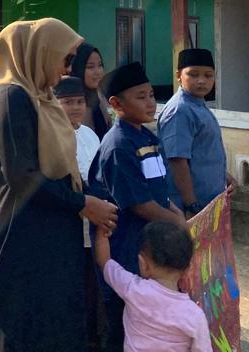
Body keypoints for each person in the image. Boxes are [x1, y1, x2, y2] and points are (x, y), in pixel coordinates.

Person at [0, 18, 118, 352]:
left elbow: (65, 170)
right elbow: (23, 177)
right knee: (23, 327)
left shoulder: (43, 98)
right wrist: (82, 204)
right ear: (40, 53)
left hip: (51, 233)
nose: (66, 70)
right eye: (64, 59)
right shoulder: (12, 99)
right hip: (22, 238)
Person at [89, 62, 186, 352]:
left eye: (151, 95)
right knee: (121, 328)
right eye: (140, 97)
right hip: (124, 252)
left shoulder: (148, 138)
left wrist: (177, 212)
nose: (150, 103)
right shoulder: (119, 145)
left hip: (149, 247)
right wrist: (177, 224)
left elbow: (159, 190)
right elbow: (139, 204)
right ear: (116, 103)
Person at [94, 222, 211, 352]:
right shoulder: (194, 315)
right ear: (188, 269)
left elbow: (105, 262)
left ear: (143, 264)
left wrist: (102, 230)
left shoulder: (132, 289)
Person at [55, 74, 105, 352]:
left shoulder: (89, 135)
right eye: (68, 102)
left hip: (93, 222)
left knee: (92, 284)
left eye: (79, 102)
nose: (75, 108)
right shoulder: (51, 137)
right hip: (67, 224)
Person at [157, 48, 235, 218]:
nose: (201, 81)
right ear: (179, 75)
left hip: (209, 201)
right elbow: (177, 160)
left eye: (208, 75)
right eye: (193, 74)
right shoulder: (180, 110)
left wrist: (223, 176)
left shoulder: (197, 104)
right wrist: (190, 204)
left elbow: (201, 152)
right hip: (191, 206)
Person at [71, 43, 112, 139]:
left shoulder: (99, 96)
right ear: (78, 68)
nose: (97, 72)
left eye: (100, 65)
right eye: (90, 67)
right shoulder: (71, 100)